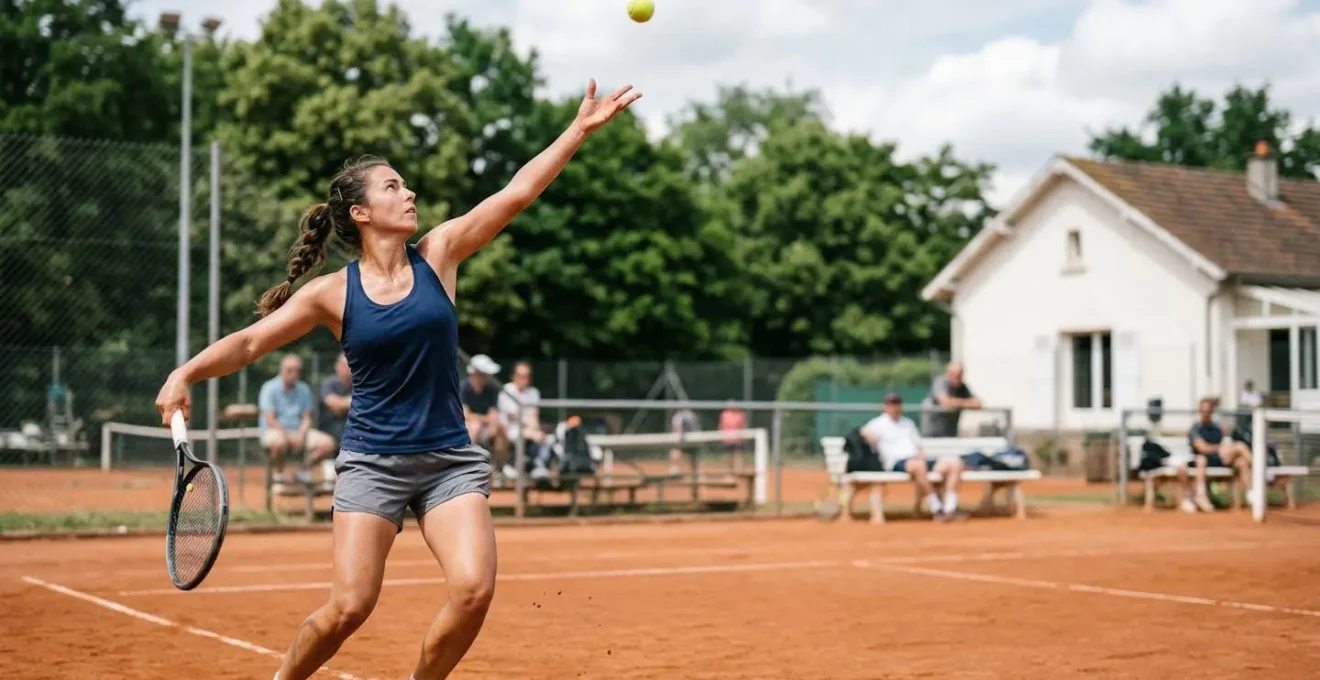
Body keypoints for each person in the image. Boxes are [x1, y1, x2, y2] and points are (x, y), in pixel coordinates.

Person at [152, 78, 641, 680]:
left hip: (449, 461)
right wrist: (185, 372)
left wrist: (578, 129)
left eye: (405, 184)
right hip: (373, 462)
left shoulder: (440, 254)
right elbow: (252, 341)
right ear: (360, 213)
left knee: (472, 591)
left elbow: (516, 193)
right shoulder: (331, 294)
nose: (409, 193)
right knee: (349, 608)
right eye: (393, 187)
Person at [859, 392, 966, 522]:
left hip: (917, 460)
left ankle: (950, 508)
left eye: (896, 403)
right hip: (897, 463)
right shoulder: (878, 423)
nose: (894, 407)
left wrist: (921, 456)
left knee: (956, 464)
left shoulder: (908, 423)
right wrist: (871, 440)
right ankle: (937, 508)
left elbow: (918, 446)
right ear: (885, 406)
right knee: (918, 466)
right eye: (891, 404)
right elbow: (862, 433)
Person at [258, 353, 337, 492]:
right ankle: (279, 476)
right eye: (290, 370)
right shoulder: (269, 388)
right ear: (282, 370)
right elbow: (270, 419)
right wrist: (287, 435)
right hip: (275, 431)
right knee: (279, 443)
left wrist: (301, 433)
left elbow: (307, 418)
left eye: (297, 370)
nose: (294, 374)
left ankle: (303, 471)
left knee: (328, 443)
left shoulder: (304, 389)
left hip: (298, 431)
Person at [1183, 396, 1252, 512]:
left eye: (1208, 411)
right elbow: (1203, 448)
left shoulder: (1217, 427)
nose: (1206, 413)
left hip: (1220, 459)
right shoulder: (1195, 429)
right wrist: (1220, 449)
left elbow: (1224, 444)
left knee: (1242, 461)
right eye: (1203, 411)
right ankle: (1201, 495)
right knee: (1239, 447)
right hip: (1204, 460)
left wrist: (1224, 449)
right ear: (1200, 411)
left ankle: (1252, 494)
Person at [460, 354, 507, 475]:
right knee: (475, 426)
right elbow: (466, 416)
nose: (487, 377)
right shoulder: (463, 388)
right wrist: (483, 420)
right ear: (475, 373)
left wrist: (490, 423)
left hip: (484, 427)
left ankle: (497, 470)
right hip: (467, 429)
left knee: (501, 427)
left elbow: (493, 415)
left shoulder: (491, 390)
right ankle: (468, 467)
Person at [497, 361, 547, 477]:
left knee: (545, 438)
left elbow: (534, 415)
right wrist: (531, 428)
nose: (523, 379)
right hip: (508, 430)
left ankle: (538, 466)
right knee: (530, 434)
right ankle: (512, 465)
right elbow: (514, 415)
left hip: (529, 430)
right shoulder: (507, 390)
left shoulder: (534, 392)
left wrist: (534, 429)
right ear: (513, 376)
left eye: (526, 376)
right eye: (520, 376)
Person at [921, 361, 981, 437]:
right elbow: (946, 402)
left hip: (950, 434)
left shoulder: (963, 387)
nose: (956, 377)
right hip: (932, 434)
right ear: (948, 373)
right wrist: (966, 403)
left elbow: (978, 403)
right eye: (954, 374)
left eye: (959, 375)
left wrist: (956, 403)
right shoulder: (940, 382)